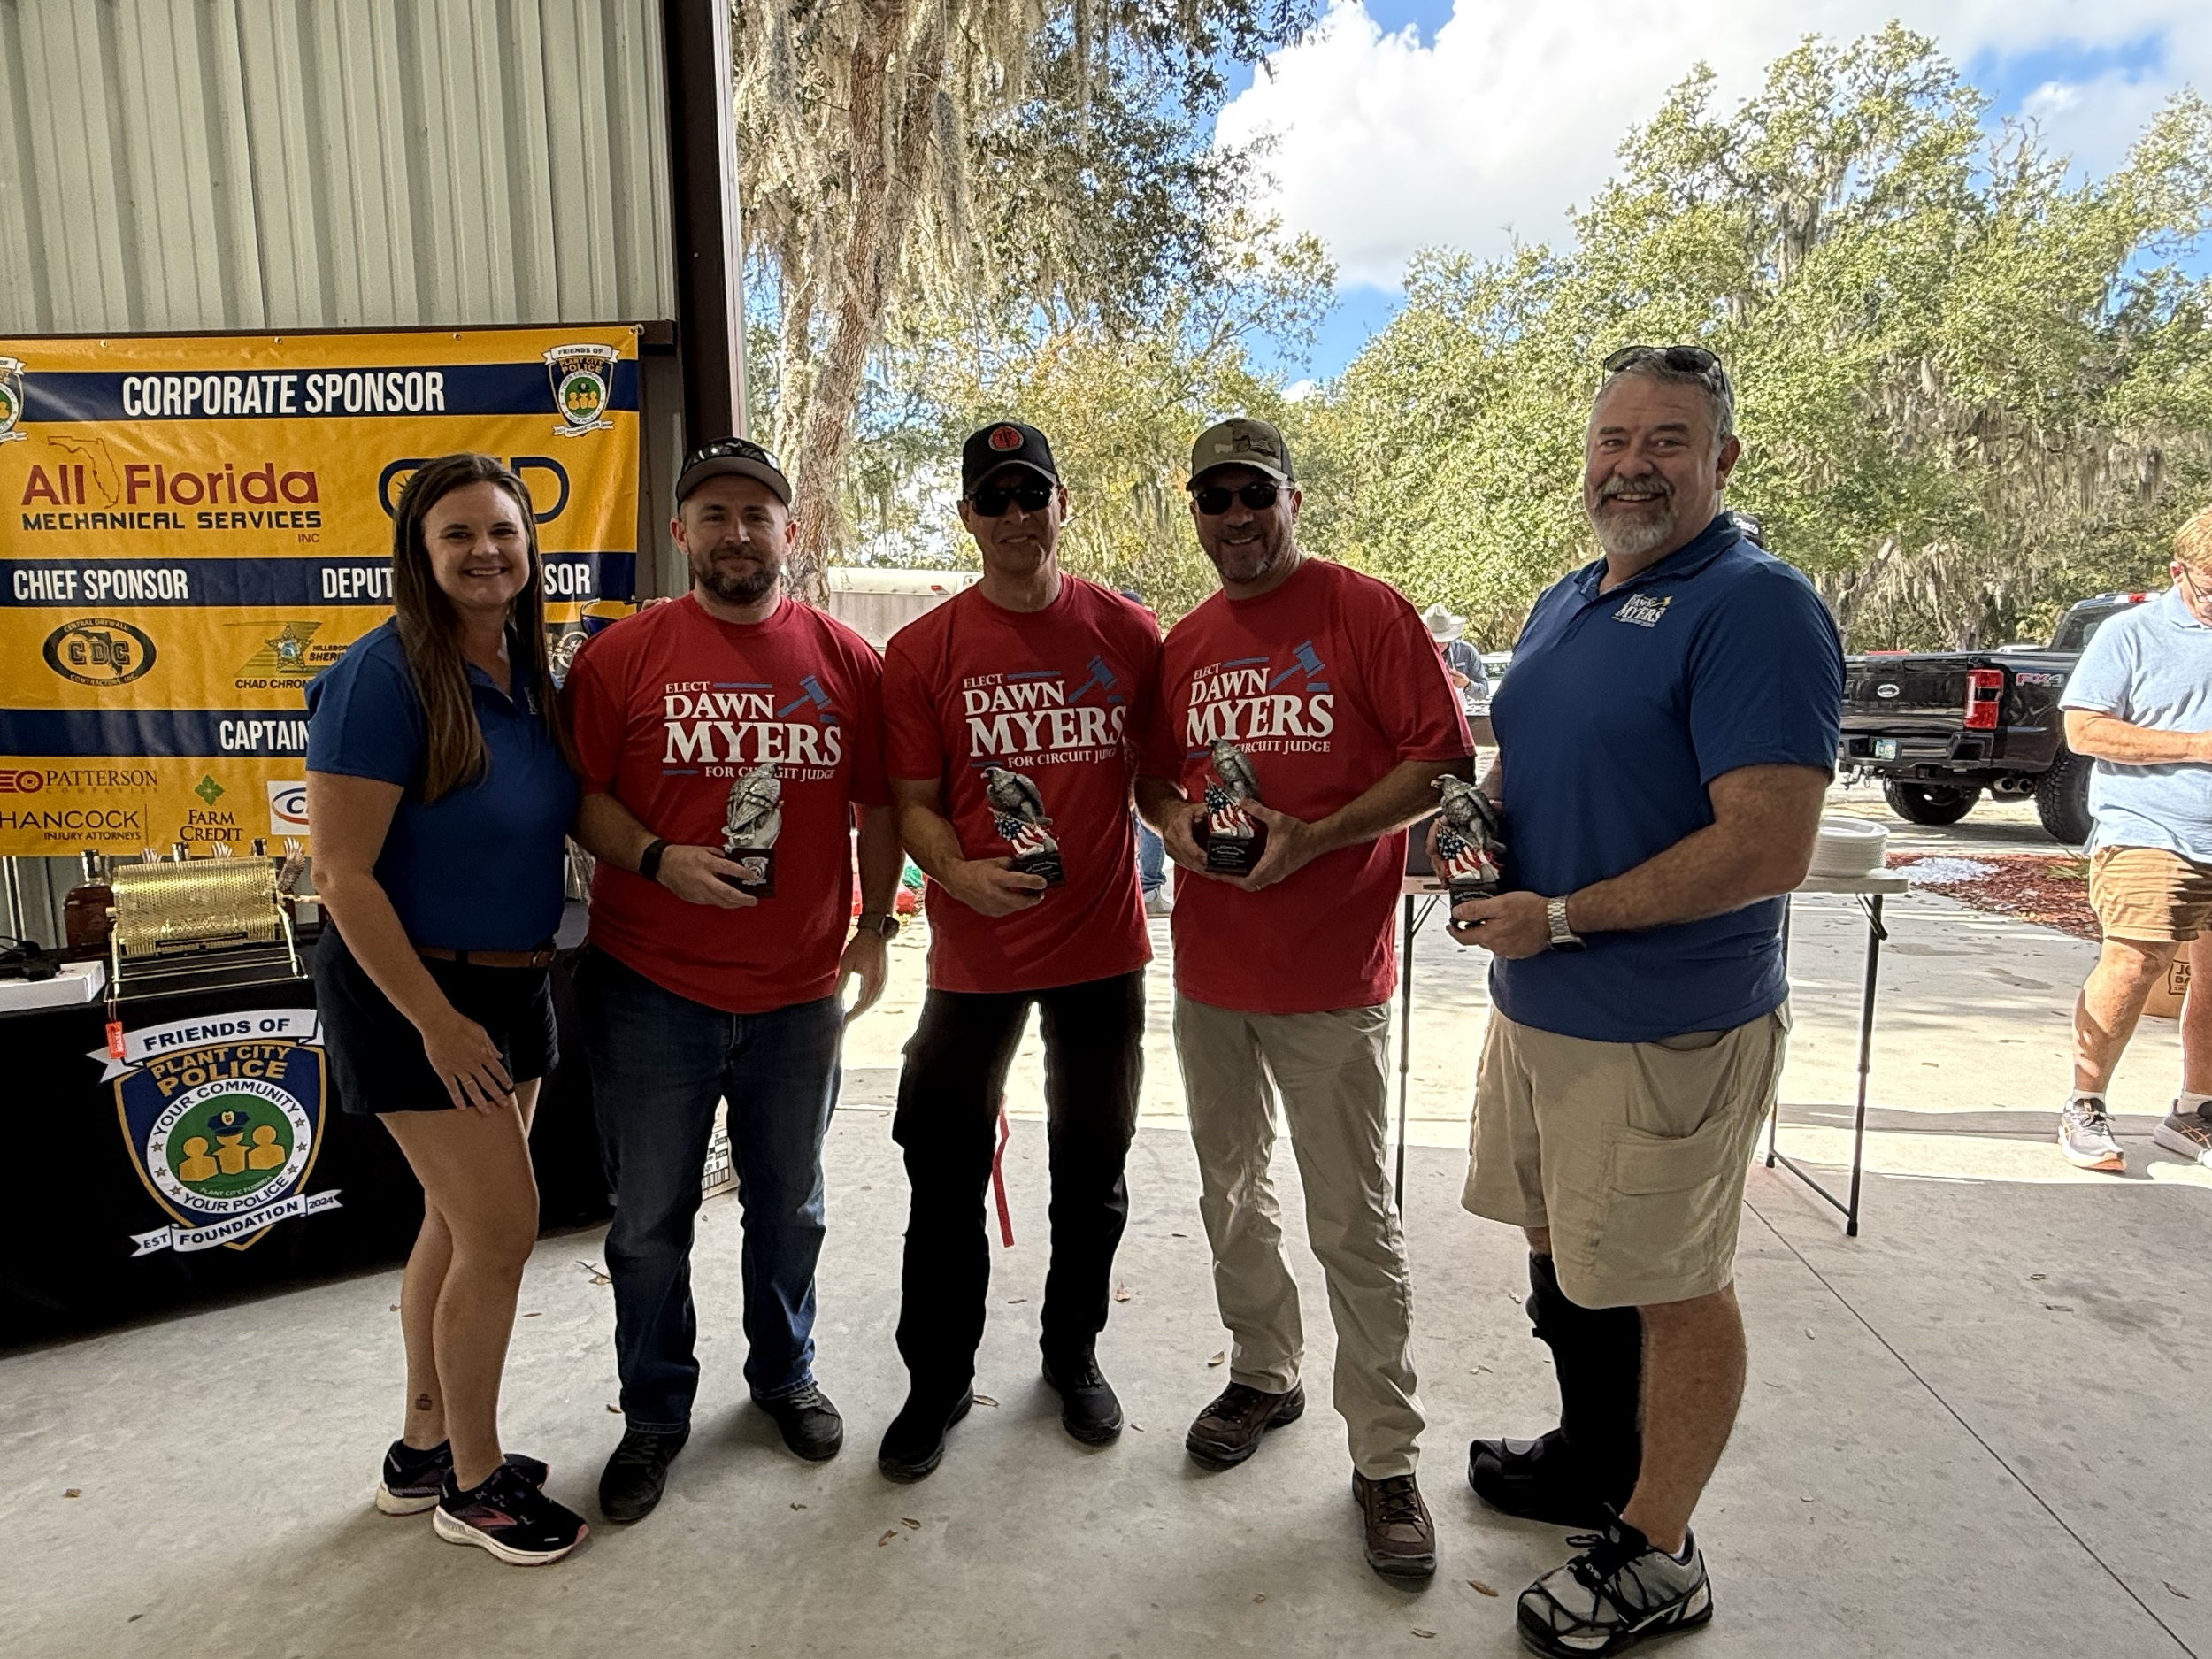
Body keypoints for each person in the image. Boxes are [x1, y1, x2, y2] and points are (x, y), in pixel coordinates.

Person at [1445, 345, 1840, 1657]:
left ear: (1722, 459)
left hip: (1667, 1017)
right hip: (1543, 1003)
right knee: (1570, 1253)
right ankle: (1589, 1458)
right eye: (1615, 437)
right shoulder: (1571, 594)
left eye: (1668, 438)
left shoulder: (1757, 604)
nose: (1633, 462)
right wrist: (1471, 840)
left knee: (1672, 1283)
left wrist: (1562, 915)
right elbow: (1535, 770)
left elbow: (1766, 843)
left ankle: (1660, 1546)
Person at [1134, 417, 1472, 1582]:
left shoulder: (1363, 610)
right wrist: (1177, 822)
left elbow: (1443, 758)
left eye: (1254, 493)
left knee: (1353, 1223)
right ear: (1196, 511)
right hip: (1212, 977)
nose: (1235, 516)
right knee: (1231, 1193)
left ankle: (1385, 1454)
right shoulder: (1185, 643)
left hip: (1331, 979)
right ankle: (1262, 1371)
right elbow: (1150, 775)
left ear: (1291, 496)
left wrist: (1318, 836)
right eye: (1213, 498)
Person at [563, 438, 901, 1523]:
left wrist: (878, 923)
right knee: (648, 1222)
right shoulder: (624, 658)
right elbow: (581, 800)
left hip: (798, 992)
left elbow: (881, 806)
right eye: (713, 514)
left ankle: (782, 1377)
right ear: (680, 534)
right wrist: (661, 860)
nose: (737, 534)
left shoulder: (847, 660)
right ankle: (655, 1413)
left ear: (788, 533)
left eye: (757, 514)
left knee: (788, 1207)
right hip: (650, 986)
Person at [306, 453, 588, 1565]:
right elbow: (341, 876)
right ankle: (475, 1483)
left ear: (529, 547)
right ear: (420, 554)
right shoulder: (385, 675)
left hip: (516, 980)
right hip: (417, 992)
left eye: (502, 533)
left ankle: (423, 1445)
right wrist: (435, 1018)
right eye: (458, 534)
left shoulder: (526, 669)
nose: (485, 552)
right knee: (504, 1232)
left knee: (456, 1223)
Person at [874, 422, 1162, 1479]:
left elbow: (1165, 777)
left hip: (1101, 953)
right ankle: (936, 1382)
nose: (1013, 517)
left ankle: (1072, 1355)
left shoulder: (1129, 633)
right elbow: (909, 803)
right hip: (974, 960)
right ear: (967, 518)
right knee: (939, 1171)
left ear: (1060, 504)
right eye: (991, 500)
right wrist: (955, 876)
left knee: (1092, 1170)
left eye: (1029, 494)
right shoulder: (924, 651)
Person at [2054, 504, 2212, 1174]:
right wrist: (2199, 746)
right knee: (2136, 961)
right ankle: (2083, 1102)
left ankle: (2194, 1111)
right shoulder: (2132, 634)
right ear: (2181, 572)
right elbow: (2084, 730)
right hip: (2152, 828)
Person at [1421, 602, 1489, 719]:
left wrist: (1467, 684)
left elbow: (1483, 692)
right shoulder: (1414, 653)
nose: (1439, 642)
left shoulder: (1467, 652)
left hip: (1460, 719)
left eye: (1443, 637)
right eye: (1434, 638)